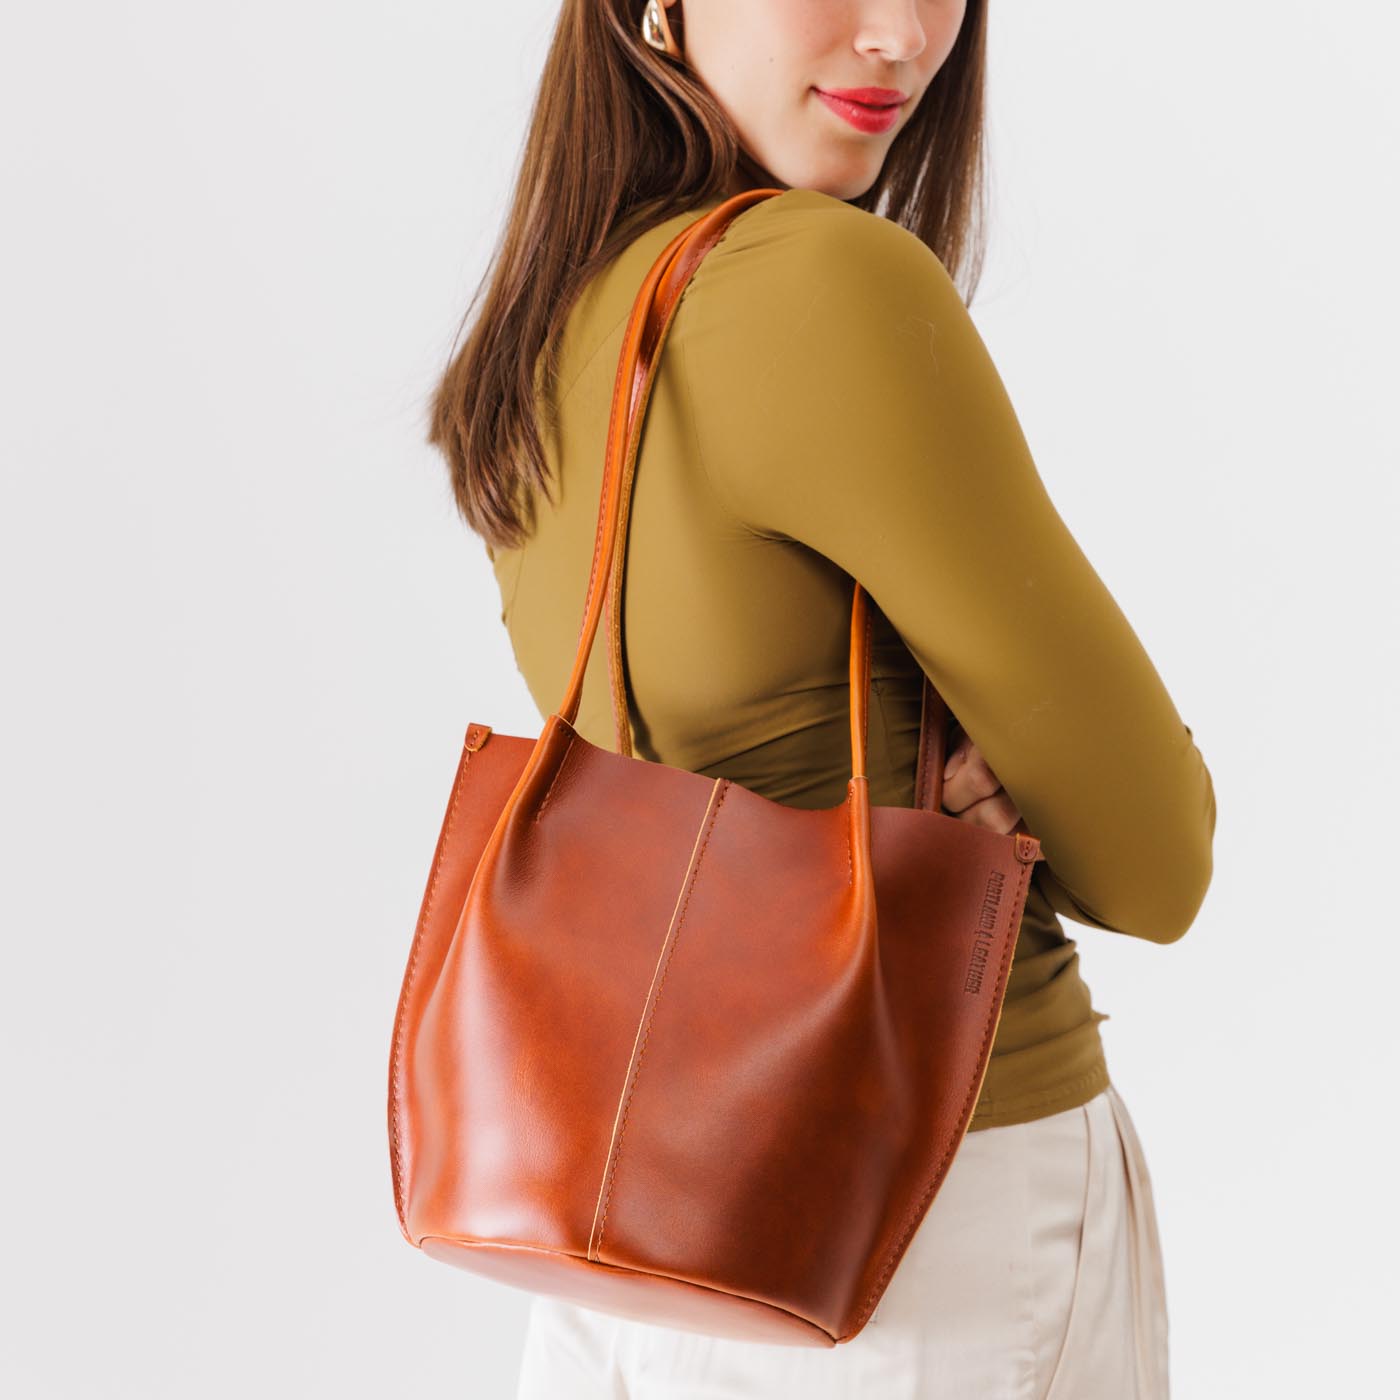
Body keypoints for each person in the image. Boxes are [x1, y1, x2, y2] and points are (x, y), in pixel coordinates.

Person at [425, 2, 1216, 1396]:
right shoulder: (820, 281)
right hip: (924, 1229)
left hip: (616, 1234)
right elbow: (1160, 860)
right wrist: (1017, 777)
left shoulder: (565, 312)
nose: (901, 35)